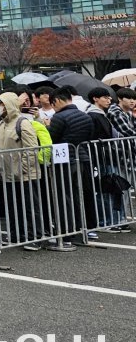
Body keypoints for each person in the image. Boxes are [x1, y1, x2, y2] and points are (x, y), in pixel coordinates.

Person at [0, 93, 43, 248]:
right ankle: (17, 235)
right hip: (8, 174)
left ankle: (34, 237)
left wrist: (23, 169)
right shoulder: (1, 124)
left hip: (26, 175)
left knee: (30, 207)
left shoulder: (23, 122)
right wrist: (0, 165)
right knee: (13, 207)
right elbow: (0, 148)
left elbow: (32, 149)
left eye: (0, 104)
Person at [48, 87, 100, 241]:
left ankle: (67, 230)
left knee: (64, 195)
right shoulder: (85, 116)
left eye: (53, 104)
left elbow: (52, 138)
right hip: (81, 157)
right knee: (80, 194)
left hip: (63, 160)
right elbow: (90, 135)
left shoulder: (58, 117)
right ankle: (82, 227)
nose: (53, 108)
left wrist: (47, 127)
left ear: (57, 101)